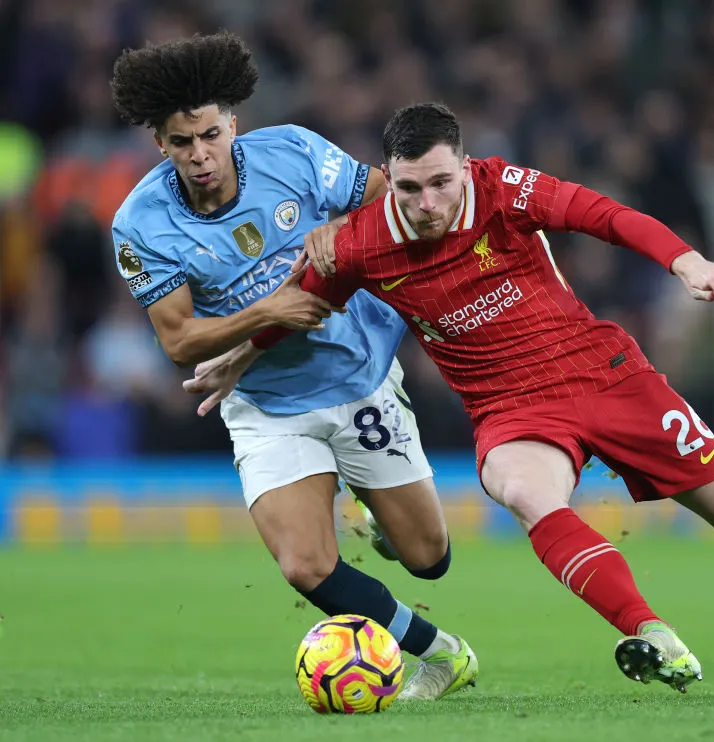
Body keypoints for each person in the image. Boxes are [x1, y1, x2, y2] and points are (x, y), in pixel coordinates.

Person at [195, 102, 714, 698]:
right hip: (510, 409)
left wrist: (684, 261)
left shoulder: (505, 188)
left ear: (462, 164)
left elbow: (604, 215)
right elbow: (304, 306)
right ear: (394, 181)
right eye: (409, 189)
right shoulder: (359, 243)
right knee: (524, 492)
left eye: (440, 183)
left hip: (605, 374)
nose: (427, 204)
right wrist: (238, 356)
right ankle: (648, 629)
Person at [109, 35, 477, 700]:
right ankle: (442, 654)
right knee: (305, 564)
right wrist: (265, 312)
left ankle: (369, 505)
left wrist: (340, 234)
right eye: (180, 142)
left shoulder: (292, 152)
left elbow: (383, 198)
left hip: (361, 374)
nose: (199, 155)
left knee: (429, 558)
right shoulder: (140, 223)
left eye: (210, 135)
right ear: (159, 144)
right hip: (265, 403)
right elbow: (180, 341)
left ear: (233, 125)